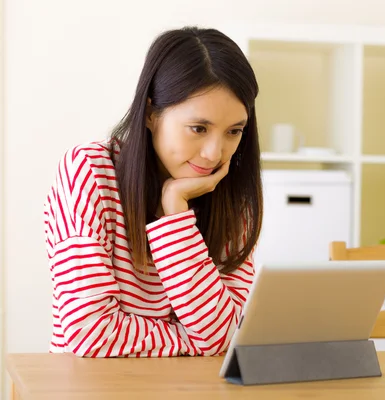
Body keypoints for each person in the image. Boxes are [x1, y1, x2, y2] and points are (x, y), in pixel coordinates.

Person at [42, 26, 263, 357]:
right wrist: (192, 341)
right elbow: (88, 333)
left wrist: (176, 212)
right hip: (89, 386)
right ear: (150, 113)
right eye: (199, 128)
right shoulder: (88, 170)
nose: (214, 154)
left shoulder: (232, 195)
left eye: (234, 131)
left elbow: (223, 340)